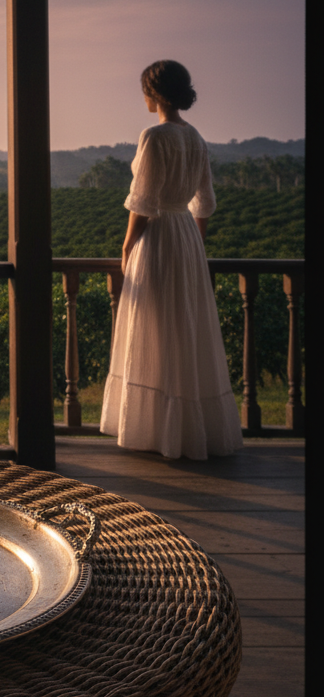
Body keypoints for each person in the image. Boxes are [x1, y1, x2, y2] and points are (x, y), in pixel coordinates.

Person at [99, 60, 243, 459]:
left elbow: (143, 201)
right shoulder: (195, 137)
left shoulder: (154, 136)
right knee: (184, 328)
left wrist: (127, 246)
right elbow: (205, 202)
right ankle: (185, 429)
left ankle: (153, 429)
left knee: (154, 326)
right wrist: (195, 243)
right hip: (186, 237)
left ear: (154, 93)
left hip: (159, 237)